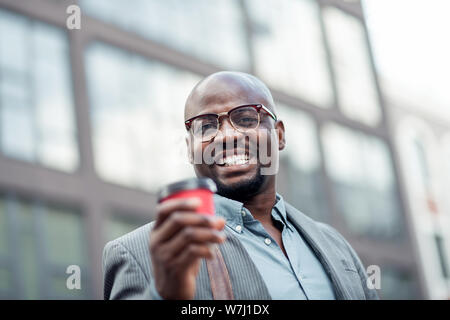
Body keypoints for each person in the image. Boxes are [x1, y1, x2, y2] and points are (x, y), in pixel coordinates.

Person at [102, 71, 379, 300]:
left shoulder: (335, 245)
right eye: (206, 126)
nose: (227, 136)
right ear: (190, 149)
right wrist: (162, 294)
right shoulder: (139, 254)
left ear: (279, 135)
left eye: (247, 119)